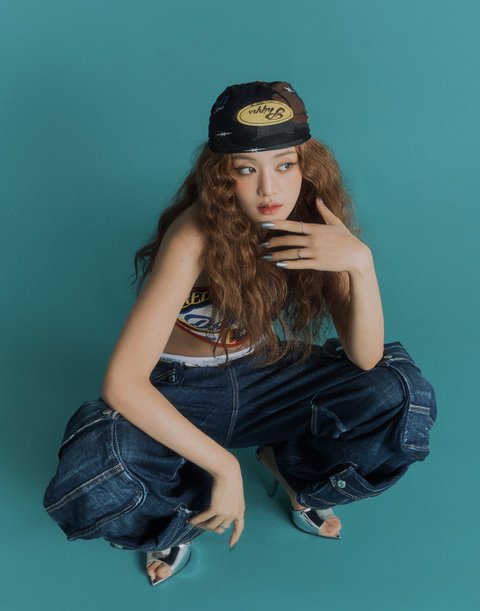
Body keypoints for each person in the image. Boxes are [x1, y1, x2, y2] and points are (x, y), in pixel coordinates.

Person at [43, 80, 437, 586]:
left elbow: (365, 358)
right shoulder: (194, 234)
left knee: (398, 394)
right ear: (221, 175)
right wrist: (225, 468)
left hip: (263, 373)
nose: (269, 189)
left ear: (307, 166)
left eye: (284, 165)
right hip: (182, 388)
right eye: (247, 169)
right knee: (99, 464)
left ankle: (294, 471)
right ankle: (176, 520)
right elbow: (122, 382)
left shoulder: (313, 223)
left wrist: (360, 263)